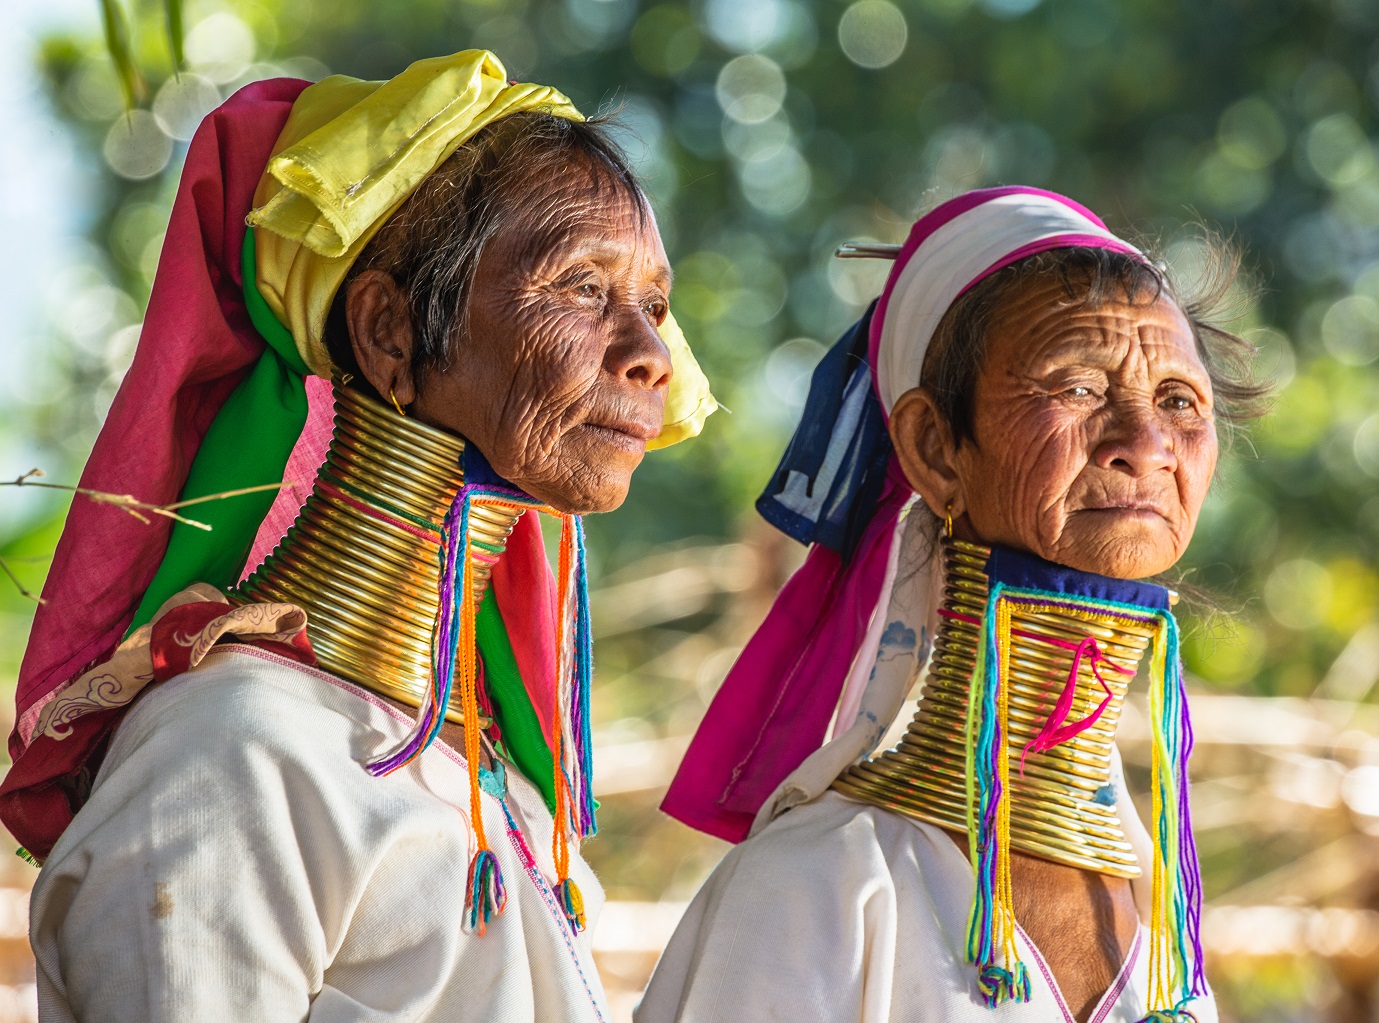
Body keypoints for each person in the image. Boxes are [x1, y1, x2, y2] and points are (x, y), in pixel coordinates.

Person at [3, 50, 715, 1023]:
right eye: (582, 287)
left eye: (655, 308)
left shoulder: (486, 783)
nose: (646, 357)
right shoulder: (231, 759)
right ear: (388, 332)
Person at [641, 187, 1265, 1023]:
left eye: (1179, 401)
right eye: (1076, 386)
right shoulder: (819, 883)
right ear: (935, 447)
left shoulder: (1162, 932)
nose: (1145, 446)